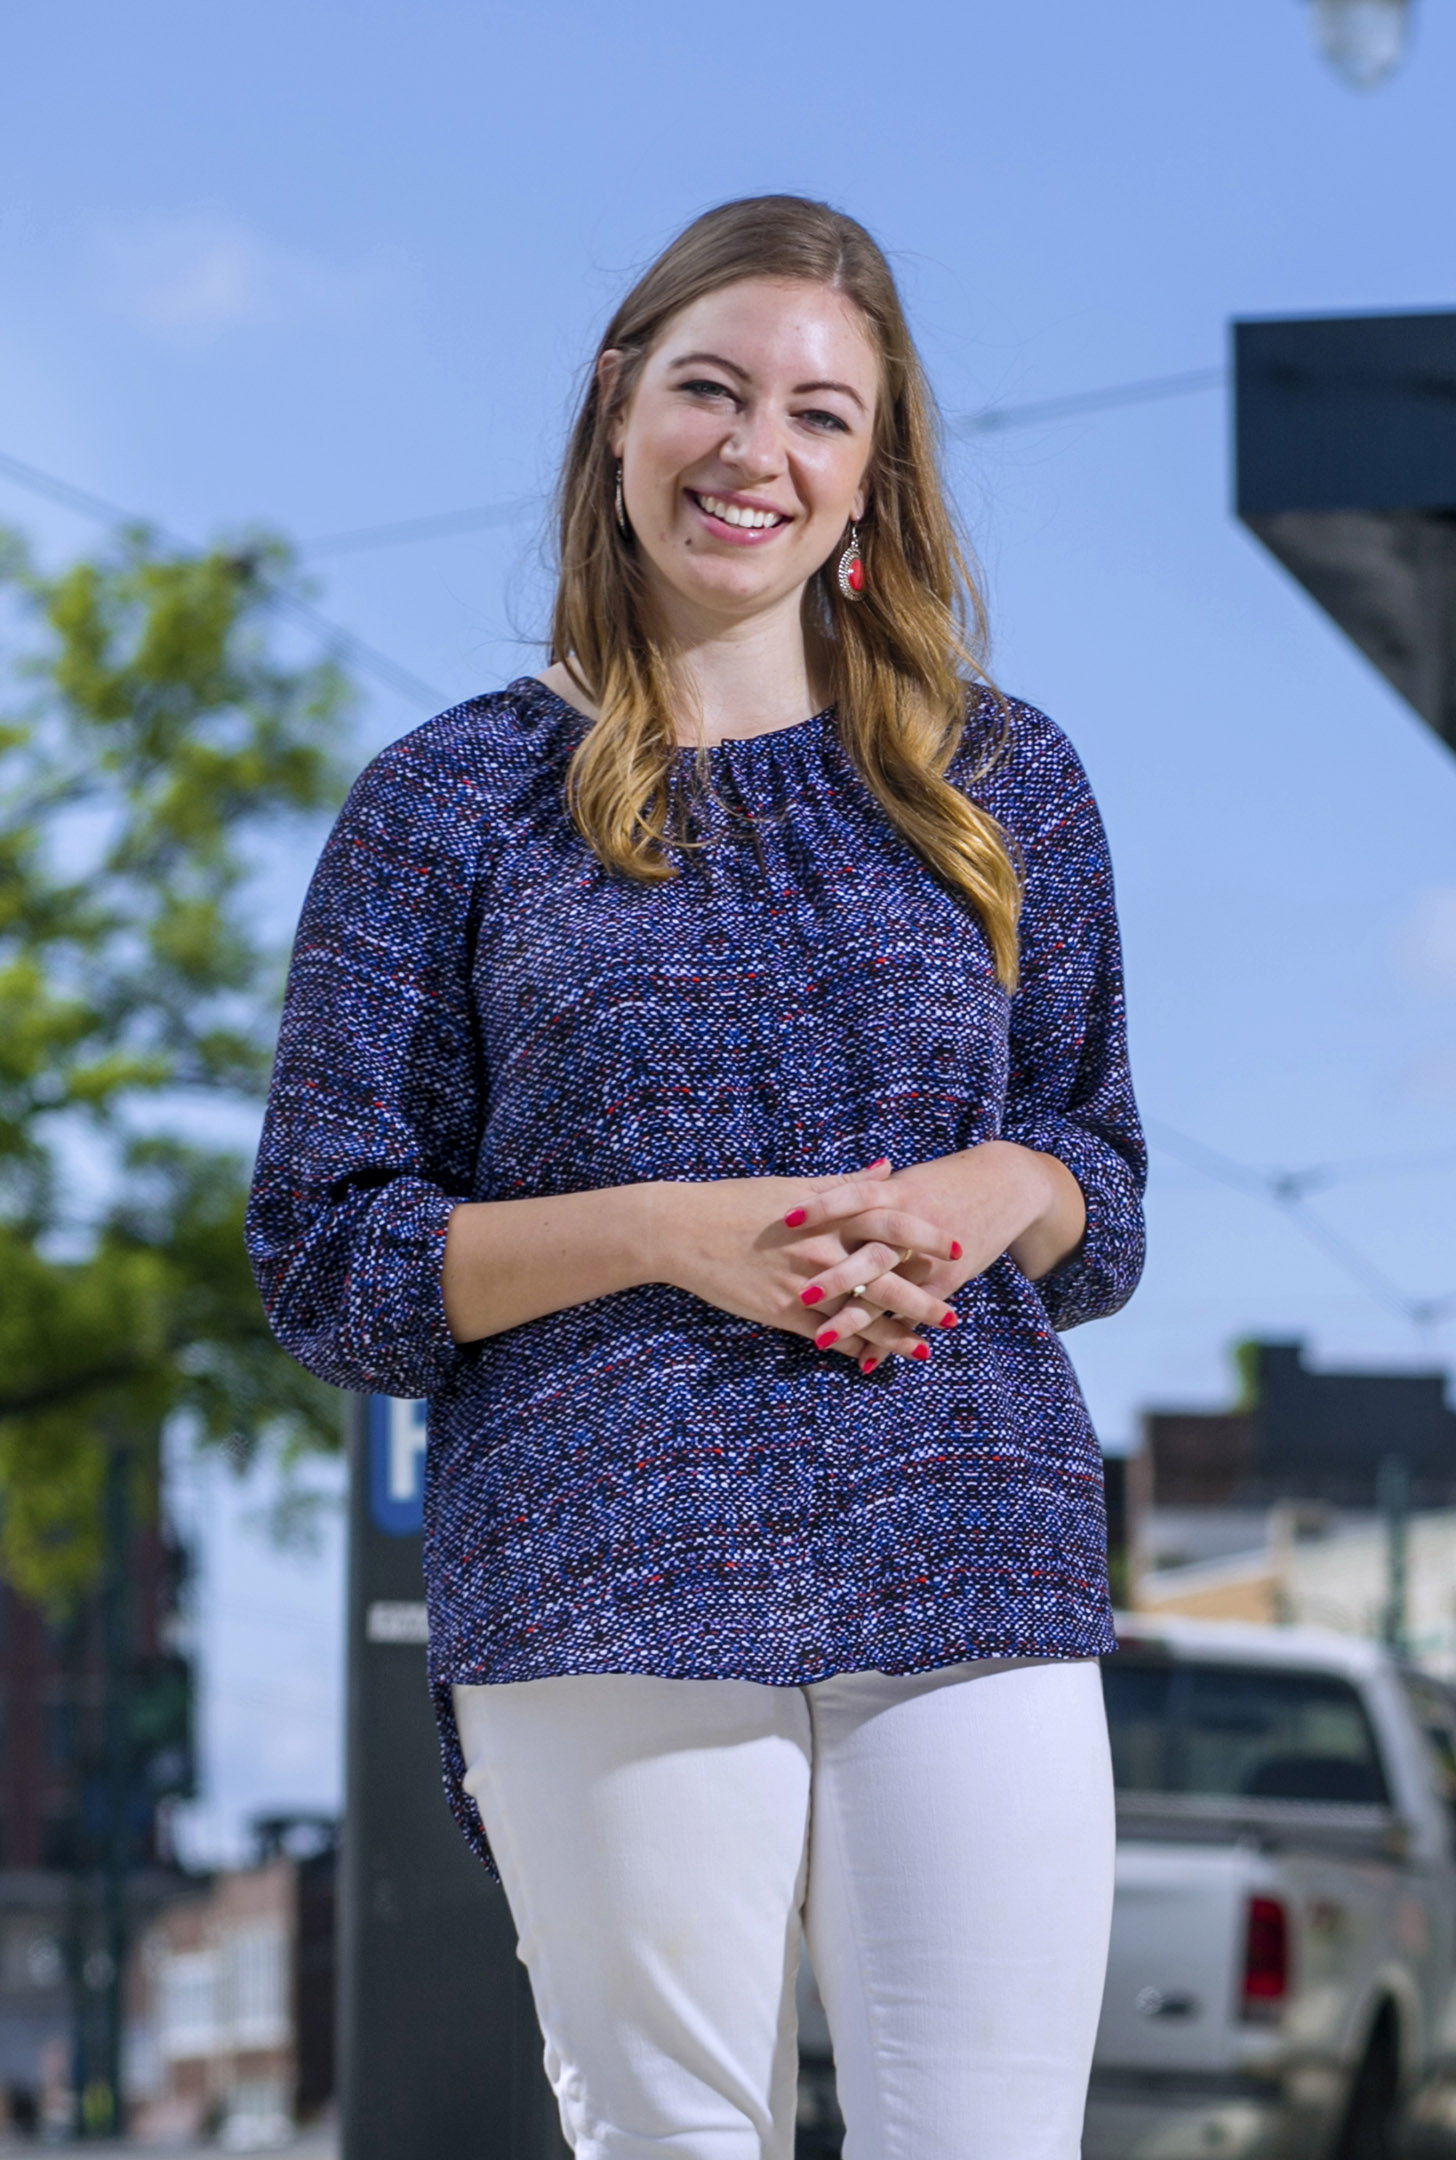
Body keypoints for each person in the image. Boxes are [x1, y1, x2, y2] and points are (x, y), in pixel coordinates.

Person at [246, 195, 1143, 2159]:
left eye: (823, 416)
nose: (759, 454)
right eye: (712, 393)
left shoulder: (1012, 781)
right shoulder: (444, 806)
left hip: (973, 1541)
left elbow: (1101, 1175)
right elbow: (329, 1254)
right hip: (605, 1570)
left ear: (874, 470)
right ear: (617, 408)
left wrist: (991, 1191)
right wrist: (677, 1236)